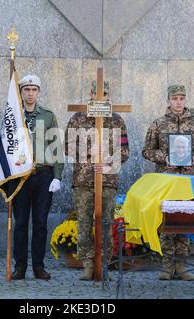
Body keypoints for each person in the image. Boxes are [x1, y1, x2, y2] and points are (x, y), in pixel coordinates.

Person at [65, 80, 130, 280]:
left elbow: (125, 150)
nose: (102, 97)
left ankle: (103, 265)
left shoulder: (116, 120)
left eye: (105, 94)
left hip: (108, 180)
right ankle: (87, 264)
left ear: (109, 96)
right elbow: (67, 147)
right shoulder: (78, 117)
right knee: (84, 223)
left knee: (106, 223)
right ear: (92, 95)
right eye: (98, 94)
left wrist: (110, 165)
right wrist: (88, 152)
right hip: (84, 180)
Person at [143, 84, 194, 281]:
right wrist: (165, 157)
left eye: (181, 98)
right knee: (167, 221)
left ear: (185, 100)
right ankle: (166, 265)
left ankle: (181, 266)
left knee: (185, 221)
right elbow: (147, 151)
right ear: (168, 100)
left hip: (188, 180)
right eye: (174, 98)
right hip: (167, 179)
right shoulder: (158, 124)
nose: (178, 102)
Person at [10, 75, 64, 280]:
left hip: (43, 175)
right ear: (21, 92)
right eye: (26, 89)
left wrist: (57, 176)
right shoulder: (13, 114)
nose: (30, 93)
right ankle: (20, 266)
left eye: (34, 89)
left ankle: (38, 266)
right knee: (21, 223)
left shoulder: (48, 116)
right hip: (20, 176)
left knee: (40, 222)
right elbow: (6, 146)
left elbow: (56, 147)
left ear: (39, 92)